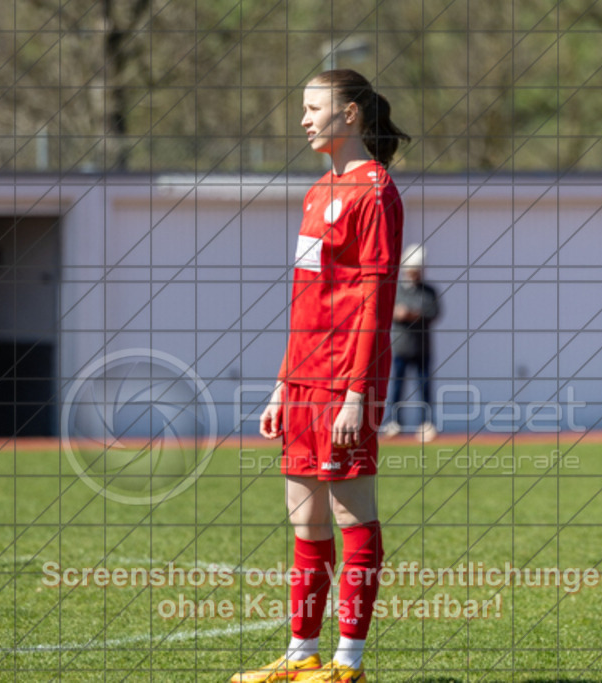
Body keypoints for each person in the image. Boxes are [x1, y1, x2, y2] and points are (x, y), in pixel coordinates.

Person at [231, 69, 408, 683]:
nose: (304, 119)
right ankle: (301, 654)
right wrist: (283, 382)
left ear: (352, 114)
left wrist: (357, 393)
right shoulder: (316, 192)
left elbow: (374, 300)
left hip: (343, 380)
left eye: (315, 107)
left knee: (352, 515)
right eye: (301, 107)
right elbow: (307, 297)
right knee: (303, 519)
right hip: (304, 379)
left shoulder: (376, 191)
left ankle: (347, 664)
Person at [381, 244, 440, 441]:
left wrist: (411, 314)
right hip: (400, 347)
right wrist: (398, 313)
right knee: (397, 386)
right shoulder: (396, 289)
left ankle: (426, 424)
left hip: (422, 348)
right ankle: (394, 422)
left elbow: (434, 312)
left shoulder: (428, 291)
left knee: (424, 387)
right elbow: (385, 311)